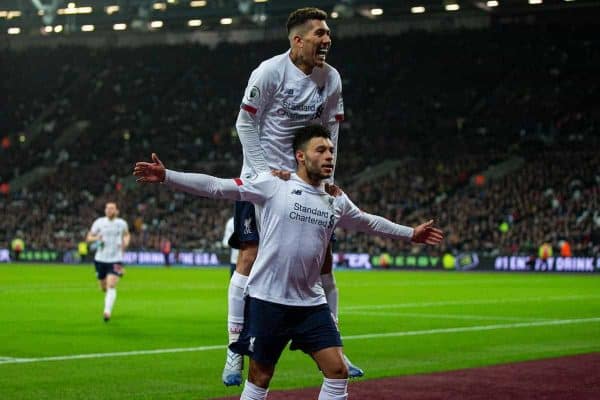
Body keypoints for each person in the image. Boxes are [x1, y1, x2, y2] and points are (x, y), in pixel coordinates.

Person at [134, 124, 444, 400]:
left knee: (337, 372)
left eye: (331, 150)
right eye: (320, 150)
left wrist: (410, 233)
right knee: (259, 379)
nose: (329, 156)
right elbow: (217, 187)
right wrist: (167, 177)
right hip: (269, 300)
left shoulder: (335, 198)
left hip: (310, 304)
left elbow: (367, 222)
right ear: (300, 156)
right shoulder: (273, 184)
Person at [227, 6, 356, 385]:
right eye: (319, 33)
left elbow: (332, 130)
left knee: (325, 262)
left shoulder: (331, 78)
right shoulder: (269, 71)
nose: (327, 39)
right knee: (249, 255)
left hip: (306, 181)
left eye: (328, 33)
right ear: (297, 40)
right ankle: (234, 348)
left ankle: (336, 346)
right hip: (265, 178)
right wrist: (264, 172)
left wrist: (331, 175)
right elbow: (244, 121)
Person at [86, 202, 130, 322]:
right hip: (100, 259)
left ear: (116, 211)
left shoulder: (121, 223)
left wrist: (126, 242)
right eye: (108, 208)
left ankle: (107, 312)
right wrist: (96, 238)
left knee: (111, 285)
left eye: (112, 209)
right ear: (105, 210)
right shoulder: (99, 222)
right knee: (103, 287)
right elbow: (89, 237)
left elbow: (126, 235)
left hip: (116, 259)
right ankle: (119, 273)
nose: (110, 210)